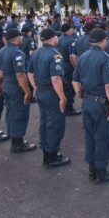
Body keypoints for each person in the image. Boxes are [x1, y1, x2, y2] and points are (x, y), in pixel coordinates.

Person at [72, 28, 109, 183]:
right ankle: (101, 172)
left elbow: (75, 80)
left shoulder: (83, 57)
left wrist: (80, 94)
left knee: (90, 136)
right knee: (102, 137)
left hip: (87, 102)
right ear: (103, 40)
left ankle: (92, 169)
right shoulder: (105, 58)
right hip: (100, 104)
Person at [28, 28, 70, 168]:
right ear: (52, 39)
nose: (57, 38)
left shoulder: (36, 53)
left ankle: (47, 152)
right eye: (56, 37)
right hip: (52, 93)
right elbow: (56, 78)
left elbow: (30, 73)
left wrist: (36, 87)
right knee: (55, 124)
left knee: (45, 122)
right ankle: (52, 155)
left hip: (41, 91)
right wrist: (62, 97)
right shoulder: (55, 54)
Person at [0, 28, 38, 153]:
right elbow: (20, 74)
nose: (21, 38)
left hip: (6, 84)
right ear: (16, 38)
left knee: (10, 112)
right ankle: (17, 142)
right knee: (20, 113)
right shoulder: (17, 53)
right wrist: (27, 91)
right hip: (15, 86)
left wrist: (0, 84)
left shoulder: (1, 50)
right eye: (19, 36)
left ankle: (14, 138)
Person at [58, 23, 80, 116]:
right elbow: (72, 56)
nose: (72, 30)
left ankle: (65, 106)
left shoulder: (60, 39)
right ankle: (69, 108)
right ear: (68, 29)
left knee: (64, 86)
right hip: (68, 65)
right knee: (70, 88)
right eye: (71, 28)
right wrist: (76, 68)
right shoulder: (70, 40)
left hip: (61, 64)